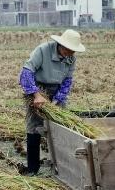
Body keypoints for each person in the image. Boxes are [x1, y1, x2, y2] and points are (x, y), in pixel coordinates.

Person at [18, 29, 85, 175]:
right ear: (61, 45)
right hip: (38, 89)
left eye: (73, 51)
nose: (71, 53)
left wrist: (56, 101)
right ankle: (32, 169)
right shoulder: (43, 50)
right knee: (34, 128)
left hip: (56, 92)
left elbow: (67, 81)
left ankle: (62, 167)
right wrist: (36, 95)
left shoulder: (71, 58)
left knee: (62, 127)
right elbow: (26, 72)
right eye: (68, 49)